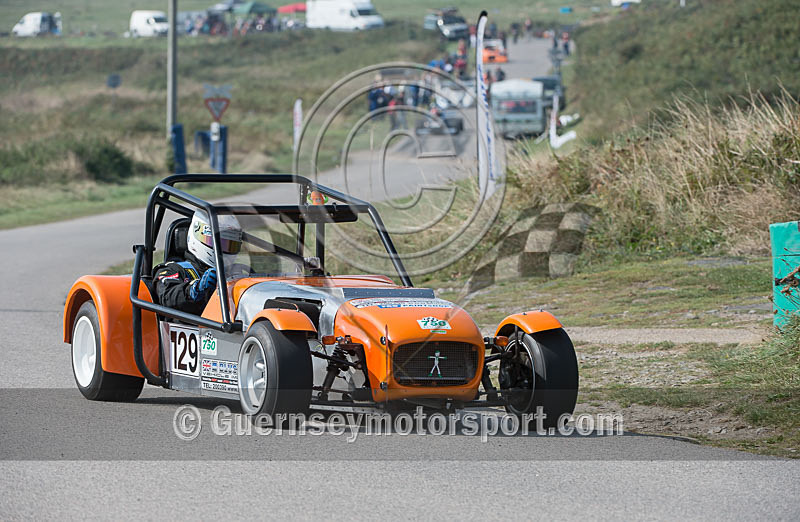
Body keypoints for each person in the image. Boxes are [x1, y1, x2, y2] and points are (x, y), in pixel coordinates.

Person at [154, 210, 243, 315]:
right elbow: (167, 296)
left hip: (234, 325)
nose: (223, 248)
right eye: (219, 243)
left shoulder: (238, 273)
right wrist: (194, 289)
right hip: (193, 327)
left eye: (229, 244)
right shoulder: (174, 269)